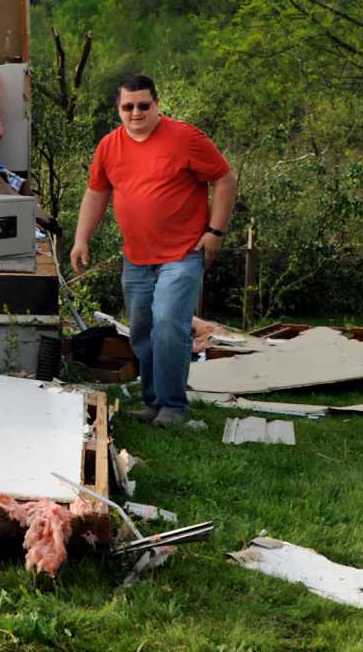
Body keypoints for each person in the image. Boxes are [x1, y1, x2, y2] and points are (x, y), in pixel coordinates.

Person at [69, 75, 237, 427]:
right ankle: (154, 403)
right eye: (128, 106)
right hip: (137, 257)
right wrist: (81, 239)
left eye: (143, 105)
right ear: (118, 109)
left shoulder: (186, 138)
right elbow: (97, 192)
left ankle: (174, 408)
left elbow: (224, 178)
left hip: (183, 252)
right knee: (143, 331)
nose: (136, 113)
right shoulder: (109, 146)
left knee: (168, 323)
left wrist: (215, 232)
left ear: (156, 104)